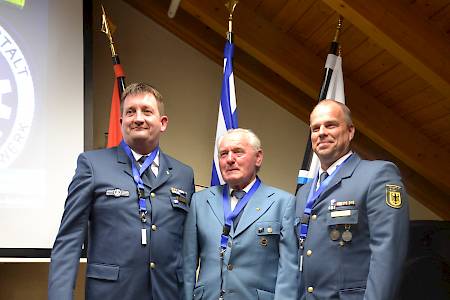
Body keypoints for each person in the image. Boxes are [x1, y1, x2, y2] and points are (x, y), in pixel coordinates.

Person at [48, 82, 195, 300]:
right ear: (121, 121)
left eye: (147, 111)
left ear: (163, 122)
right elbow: (69, 239)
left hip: (167, 294)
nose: (138, 118)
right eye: (130, 112)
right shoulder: (93, 165)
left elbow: (187, 247)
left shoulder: (183, 174)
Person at [295, 99, 409, 299]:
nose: (321, 132)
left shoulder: (377, 175)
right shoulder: (304, 192)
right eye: (315, 128)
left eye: (330, 125)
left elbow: (387, 254)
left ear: (350, 131)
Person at [183, 128, 298, 300]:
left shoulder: (282, 203)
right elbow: (188, 264)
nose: (230, 159)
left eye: (238, 152)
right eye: (223, 154)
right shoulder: (200, 201)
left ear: (258, 157)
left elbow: (288, 272)